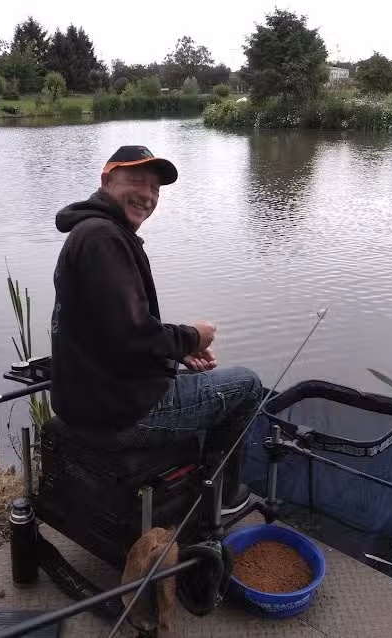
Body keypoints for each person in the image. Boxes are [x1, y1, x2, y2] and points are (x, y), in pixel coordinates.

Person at [50, 145, 263, 515]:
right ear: (106, 179)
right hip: (120, 415)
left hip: (89, 401)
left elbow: (113, 330)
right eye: (136, 181)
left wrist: (176, 352)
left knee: (198, 378)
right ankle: (222, 498)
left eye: (155, 190)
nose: (147, 196)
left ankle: (197, 481)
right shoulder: (104, 239)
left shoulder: (94, 232)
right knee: (246, 384)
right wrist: (192, 337)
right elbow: (131, 334)